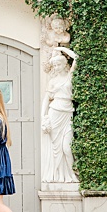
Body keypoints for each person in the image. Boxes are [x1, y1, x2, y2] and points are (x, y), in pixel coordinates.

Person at [41, 46, 79, 183]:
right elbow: (46, 100)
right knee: (55, 149)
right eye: (54, 65)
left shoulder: (69, 76)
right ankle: (57, 176)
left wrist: (61, 48)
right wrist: (43, 118)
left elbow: (76, 57)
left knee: (67, 148)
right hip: (54, 113)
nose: (56, 67)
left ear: (64, 65)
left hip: (67, 113)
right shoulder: (52, 82)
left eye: (58, 65)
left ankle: (72, 174)